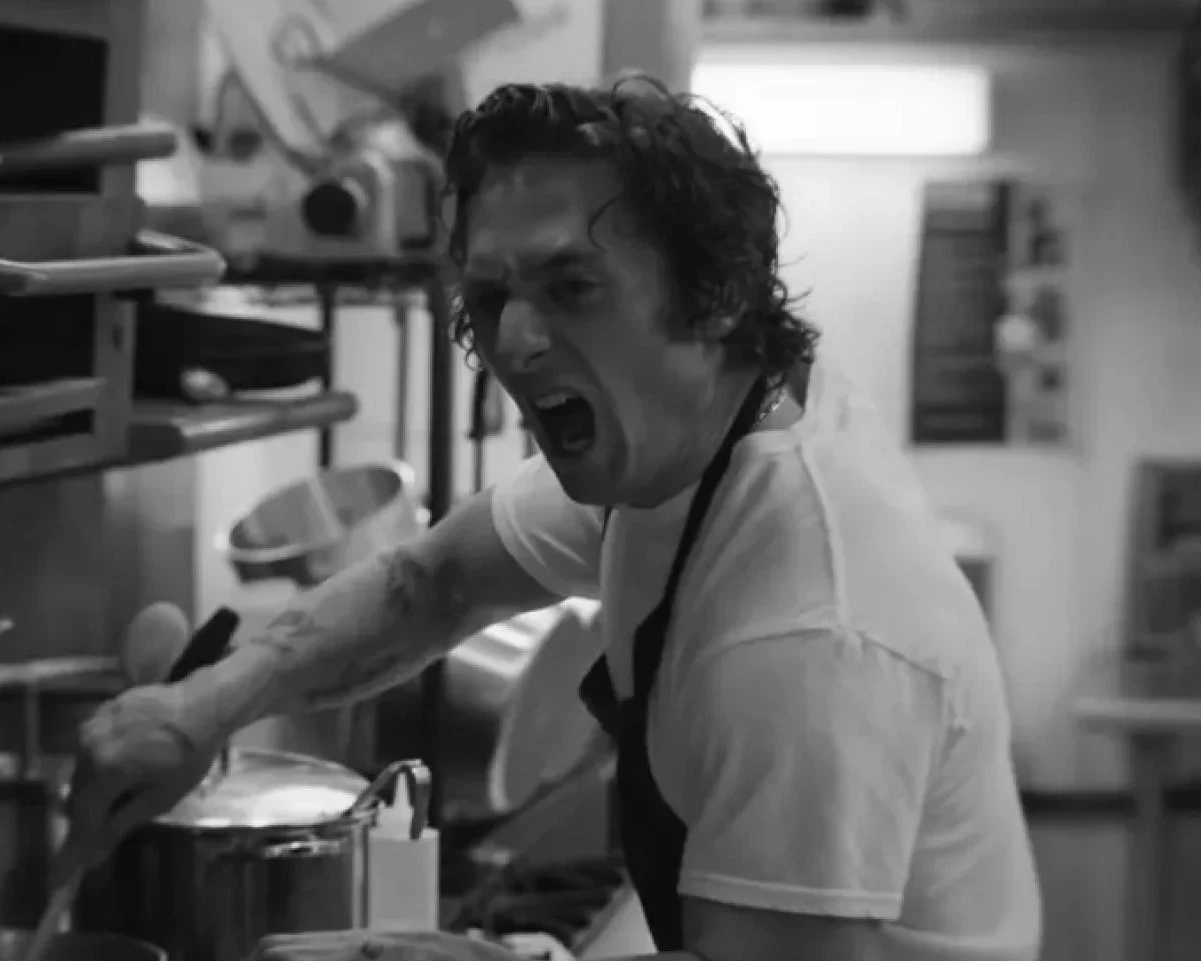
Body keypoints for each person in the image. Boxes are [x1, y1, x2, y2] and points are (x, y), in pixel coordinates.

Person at [61, 78, 1042, 961]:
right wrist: (198, 709)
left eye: (573, 287)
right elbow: (430, 583)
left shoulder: (804, 629)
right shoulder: (692, 432)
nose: (515, 342)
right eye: (490, 298)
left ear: (714, 297)